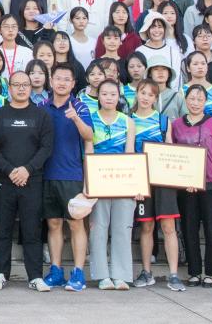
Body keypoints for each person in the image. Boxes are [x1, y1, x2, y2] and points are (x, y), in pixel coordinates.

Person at [0, 70, 54, 291]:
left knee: (32, 230)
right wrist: (10, 170)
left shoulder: (41, 115)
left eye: (25, 84)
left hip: (32, 180)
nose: (21, 88)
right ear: (9, 88)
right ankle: (0, 274)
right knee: (3, 229)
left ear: (31, 87)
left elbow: (46, 148)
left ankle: (35, 276)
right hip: (4, 180)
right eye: (16, 84)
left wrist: (28, 169)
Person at [40, 63, 93, 291]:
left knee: (75, 223)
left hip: (72, 174)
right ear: (51, 81)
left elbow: (89, 136)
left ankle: (78, 273)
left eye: (66, 79)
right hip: (46, 174)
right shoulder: (41, 106)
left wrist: (76, 119)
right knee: (53, 223)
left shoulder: (80, 107)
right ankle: (56, 270)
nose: (61, 83)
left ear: (73, 84)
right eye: (58, 78)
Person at [169, 84, 212, 286]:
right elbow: (173, 155)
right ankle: (194, 272)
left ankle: (211, 272)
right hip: (186, 187)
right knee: (189, 229)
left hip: (211, 184)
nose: (195, 103)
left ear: (205, 102)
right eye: (192, 99)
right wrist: (181, 180)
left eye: (200, 99)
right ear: (185, 100)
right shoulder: (176, 125)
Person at [84, 78, 136, 291]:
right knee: (98, 228)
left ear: (119, 97)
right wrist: (88, 183)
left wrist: (134, 185)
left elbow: (130, 153)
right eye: (104, 94)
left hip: (122, 181)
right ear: (98, 96)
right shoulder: (90, 119)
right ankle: (102, 275)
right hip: (99, 180)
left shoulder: (127, 121)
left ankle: (120, 275)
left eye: (113, 94)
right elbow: (88, 152)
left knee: (122, 228)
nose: (108, 98)